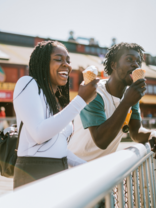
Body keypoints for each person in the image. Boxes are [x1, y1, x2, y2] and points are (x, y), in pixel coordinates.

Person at [13, 40, 99, 189]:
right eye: (58, 59)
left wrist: (85, 166)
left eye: (68, 61)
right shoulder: (27, 83)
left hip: (59, 172)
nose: (66, 64)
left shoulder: (56, 101)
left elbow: (58, 147)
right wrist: (81, 101)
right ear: (42, 63)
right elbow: (39, 134)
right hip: (34, 173)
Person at [68, 42, 156, 162]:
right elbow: (101, 141)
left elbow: (135, 132)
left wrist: (153, 134)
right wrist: (126, 102)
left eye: (138, 61)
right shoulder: (95, 92)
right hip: (75, 165)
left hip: (103, 168)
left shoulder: (131, 95)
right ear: (113, 64)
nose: (136, 65)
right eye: (129, 59)